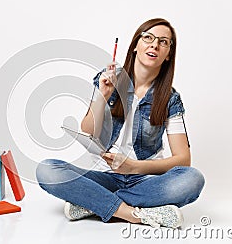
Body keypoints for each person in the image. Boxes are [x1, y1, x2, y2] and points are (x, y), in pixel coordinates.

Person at [36, 18, 205, 228]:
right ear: (136, 45)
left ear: (168, 54)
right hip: (105, 176)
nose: (154, 45)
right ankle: (134, 213)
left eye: (163, 42)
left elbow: (183, 159)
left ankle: (93, 203)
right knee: (47, 170)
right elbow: (88, 129)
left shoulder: (170, 99)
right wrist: (103, 95)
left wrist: (134, 167)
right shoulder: (108, 80)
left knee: (192, 179)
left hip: (145, 180)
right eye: (148, 38)